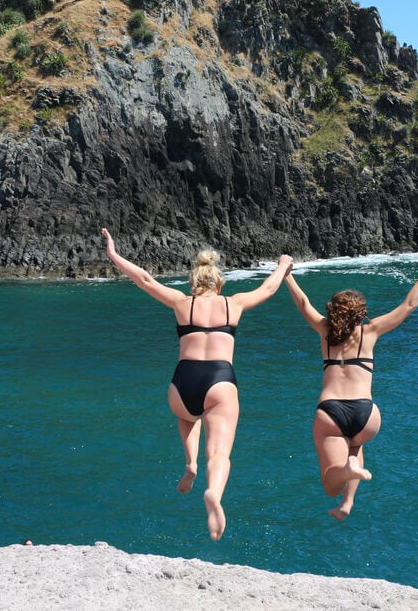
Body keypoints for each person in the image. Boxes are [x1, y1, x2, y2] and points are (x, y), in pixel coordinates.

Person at [101, 228, 293, 541]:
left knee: (187, 416)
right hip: (219, 380)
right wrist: (283, 265)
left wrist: (113, 253)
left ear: (193, 284)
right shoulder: (235, 303)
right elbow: (269, 289)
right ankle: (214, 494)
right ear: (219, 284)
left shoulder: (180, 303)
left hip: (182, 383)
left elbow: (145, 279)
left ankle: (190, 464)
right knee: (219, 453)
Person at [283, 241, 418, 520]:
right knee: (356, 446)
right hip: (366, 414)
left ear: (333, 312)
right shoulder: (371, 332)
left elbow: (303, 303)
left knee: (331, 483)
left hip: (331, 412)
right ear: (360, 313)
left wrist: (287, 274)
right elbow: (410, 304)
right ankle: (348, 503)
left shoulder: (324, 330)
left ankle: (344, 478)